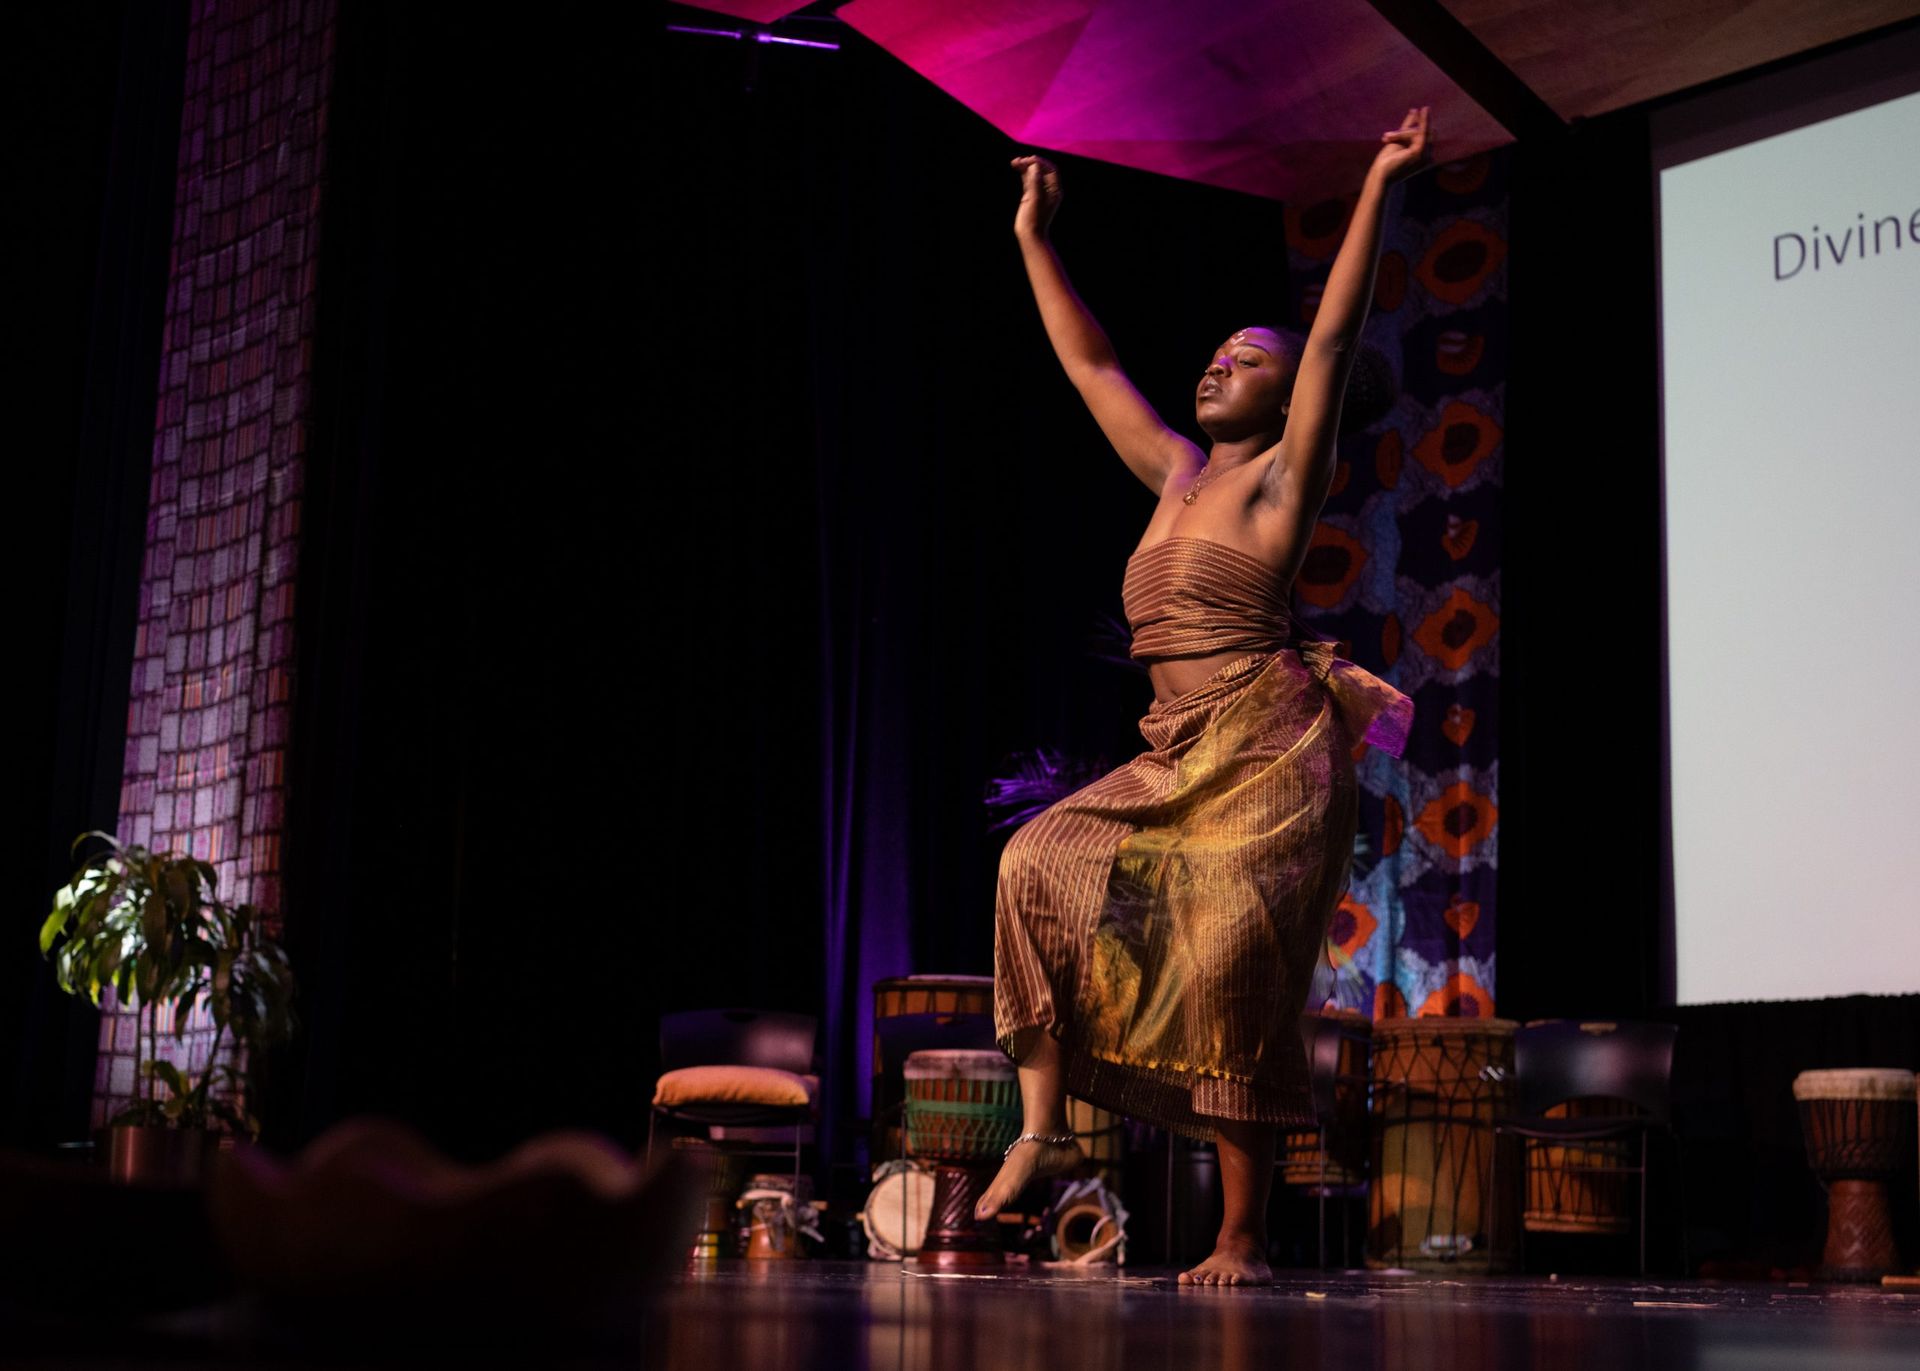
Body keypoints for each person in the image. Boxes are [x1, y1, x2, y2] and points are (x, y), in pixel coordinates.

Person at [976, 108, 1431, 1286]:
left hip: (1271, 746)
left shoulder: (1286, 481)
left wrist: (1377, 179)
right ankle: (1039, 1130)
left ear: (1287, 408)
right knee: (1036, 861)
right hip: (1175, 746)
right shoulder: (1172, 471)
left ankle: (1241, 1236)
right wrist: (1035, 234)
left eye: (1251, 359)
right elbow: (1088, 362)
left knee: (1232, 965)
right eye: (1218, 353)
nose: (1223, 363)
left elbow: (1332, 341)